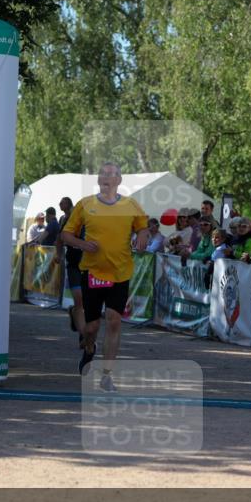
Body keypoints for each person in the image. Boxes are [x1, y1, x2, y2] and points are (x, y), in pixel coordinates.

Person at [60, 162, 150, 390]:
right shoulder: (85, 204)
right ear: (99, 180)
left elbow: (143, 226)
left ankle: (107, 375)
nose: (107, 177)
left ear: (119, 180)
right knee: (91, 328)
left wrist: (142, 236)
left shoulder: (130, 205)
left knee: (114, 320)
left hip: (120, 273)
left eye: (111, 174)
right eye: (103, 174)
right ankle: (89, 347)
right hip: (92, 272)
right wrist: (82, 244)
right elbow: (66, 234)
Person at [55, 197, 85, 339]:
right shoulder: (67, 220)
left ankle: (74, 312)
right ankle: (83, 335)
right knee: (79, 299)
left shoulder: (92, 222)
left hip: (90, 265)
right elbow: (59, 239)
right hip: (73, 264)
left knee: (86, 301)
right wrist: (58, 255)